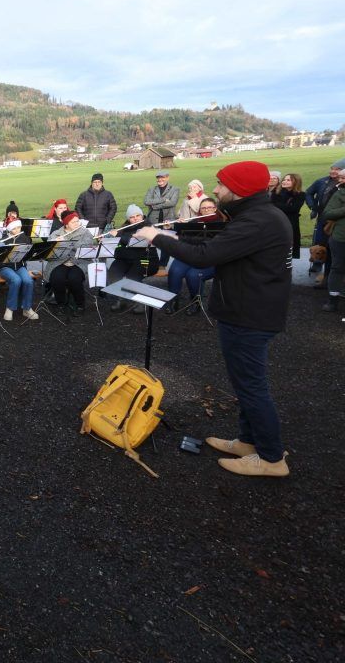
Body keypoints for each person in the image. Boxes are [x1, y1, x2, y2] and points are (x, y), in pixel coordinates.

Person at [134, 160, 291, 478]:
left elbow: (205, 256)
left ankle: (272, 458)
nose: (216, 190)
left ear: (239, 189)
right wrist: (181, 231)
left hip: (250, 315)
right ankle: (249, 442)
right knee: (243, 383)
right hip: (247, 310)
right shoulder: (255, 216)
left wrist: (156, 236)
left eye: (221, 185)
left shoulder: (257, 221)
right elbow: (215, 246)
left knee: (251, 386)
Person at [165, 198, 221, 315]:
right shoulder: (194, 222)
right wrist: (176, 227)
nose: (206, 210)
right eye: (203, 208)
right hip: (191, 255)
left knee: (193, 275)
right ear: (200, 210)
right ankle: (173, 300)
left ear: (215, 209)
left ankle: (195, 302)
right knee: (175, 270)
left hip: (211, 259)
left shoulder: (221, 223)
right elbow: (181, 239)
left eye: (209, 208)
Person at [105, 204, 157, 313]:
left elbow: (131, 242)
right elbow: (117, 249)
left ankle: (141, 302)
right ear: (128, 219)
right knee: (113, 274)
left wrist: (119, 237)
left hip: (145, 259)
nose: (136, 218)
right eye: (132, 217)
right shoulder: (124, 228)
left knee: (132, 277)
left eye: (138, 215)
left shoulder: (148, 227)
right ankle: (122, 299)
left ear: (142, 216)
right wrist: (108, 240)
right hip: (126, 259)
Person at [45, 211, 94, 315]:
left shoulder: (85, 232)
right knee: (57, 278)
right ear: (66, 224)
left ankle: (80, 305)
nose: (77, 224)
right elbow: (48, 251)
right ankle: (61, 304)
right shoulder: (56, 233)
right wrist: (55, 242)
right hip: (60, 262)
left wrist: (68, 242)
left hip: (79, 262)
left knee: (74, 279)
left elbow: (88, 245)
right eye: (73, 222)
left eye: (77, 221)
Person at [304, 161, 342, 272]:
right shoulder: (321, 181)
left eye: (337, 169)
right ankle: (317, 262)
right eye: (332, 168)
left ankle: (334, 268)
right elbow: (308, 193)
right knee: (320, 241)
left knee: (335, 243)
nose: (333, 171)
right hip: (323, 216)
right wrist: (313, 206)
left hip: (339, 219)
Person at [0, 218, 37, 321]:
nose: (17, 230)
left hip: (20, 266)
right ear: (9, 229)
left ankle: (27, 308)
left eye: (19, 227)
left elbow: (29, 255)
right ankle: (10, 308)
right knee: (16, 280)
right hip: (5, 267)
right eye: (14, 228)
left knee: (28, 281)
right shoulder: (3, 239)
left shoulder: (25, 238)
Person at [320, 173, 345, 314]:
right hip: (341, 238)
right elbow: (328, 213)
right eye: (340, 178)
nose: (340, 180)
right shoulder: (339, 194)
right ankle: (333, 300)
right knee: (337, 268)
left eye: (343, 178)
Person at [144, 171, 180, 266]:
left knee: (166, 244)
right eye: (158, 178)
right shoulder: (152, 189)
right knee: (150, 242)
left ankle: (162, 266)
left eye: (163, 177)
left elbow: (172, 203)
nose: (160, 180)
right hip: (153, 220)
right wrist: (163, 200)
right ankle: (152, 264)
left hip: (167, 220)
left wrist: (155, 206)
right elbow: (147, 201)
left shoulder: (175, 189)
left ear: (167, 178)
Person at [272, 173, 306, 259]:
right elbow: (272, 206)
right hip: (276, 223)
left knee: (289, 249)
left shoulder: (300, 194)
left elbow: (293, 209)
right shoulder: (276, 192)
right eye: (284, 179)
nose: (284, 181)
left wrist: (278, 205)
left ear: (295, 182)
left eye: (288, 180)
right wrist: (285, 206)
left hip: (291, 224)